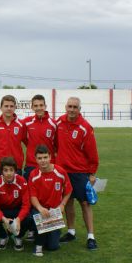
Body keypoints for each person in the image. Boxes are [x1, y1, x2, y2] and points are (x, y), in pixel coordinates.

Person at [55, 97, 100, 250]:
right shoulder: (59, 123)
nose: (72, 109)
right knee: (67, 202)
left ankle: (91, 236)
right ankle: (71, 231)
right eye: (70, 106)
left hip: (80, 172)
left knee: (85, 203)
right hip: (63, 171)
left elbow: (92, 153)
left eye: (75, 107)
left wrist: (92, 173)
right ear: (65, 107)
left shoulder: (85, 127)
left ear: (79, 109)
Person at [28, 145, 72, 257]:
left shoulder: (60, 172)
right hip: (40, 209)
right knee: (38, 217)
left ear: (50, 157)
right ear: (35, 159)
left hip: (54, 212)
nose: (43, 161)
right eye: (39, 158)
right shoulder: (33, 175)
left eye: (45, 157)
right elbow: (33, 197)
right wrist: (40, 208)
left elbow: (68, 191)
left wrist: (62, 205)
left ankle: (49, 233)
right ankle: (38, 244)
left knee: (53, 247)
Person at [0, 157, 32, 251]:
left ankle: (18, 237)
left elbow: (26, 205)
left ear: (15, 171)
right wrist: (3, 219)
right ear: (1, 171)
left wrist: (19, 219)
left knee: (29, 218)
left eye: (11, 170)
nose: (8, 173)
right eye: (5, 170)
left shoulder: (22, 182)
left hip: (17, 209)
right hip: (2, 210)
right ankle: (3, 237)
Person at [0, 95, 26, 180]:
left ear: (15, 107)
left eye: (11, 106)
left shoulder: (21, 125)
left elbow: (26, 141)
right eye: (6, 106)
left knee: (15, 192)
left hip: (15, 166)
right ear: (1, 107)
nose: (9, 108)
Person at [22, 94, 57, 180]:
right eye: (36, 106)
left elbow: (57, 144)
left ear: (45, 106)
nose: (39, 108)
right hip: (31, 164)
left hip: (49, 164)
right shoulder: (26, 122)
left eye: (41, 105)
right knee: (30, 192)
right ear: (32, 107)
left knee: (48, 192)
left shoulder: (54, 123)